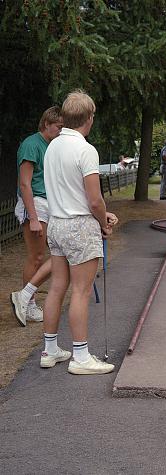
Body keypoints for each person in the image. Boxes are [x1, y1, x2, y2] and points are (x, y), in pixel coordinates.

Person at [42, 90, 118, 374]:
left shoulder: (52, 147)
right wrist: (104, 221)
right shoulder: (85, 149)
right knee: (81, 291)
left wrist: (100, 214)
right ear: (89, 117)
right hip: (79, 225)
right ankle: (81, 357)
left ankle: (50, 350)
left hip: (57, 223)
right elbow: (94, 200)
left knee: (57, 287)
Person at [10, 107, 63, 327]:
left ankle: (26, 297)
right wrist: (32, 217)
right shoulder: (32, 145)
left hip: (49, 204)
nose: (61, 132)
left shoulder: (52, 146)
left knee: (59, 253)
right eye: (58, 127)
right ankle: (28, 303)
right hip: (36, 205)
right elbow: (24, 183)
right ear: (46, 123)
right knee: (37, 257)